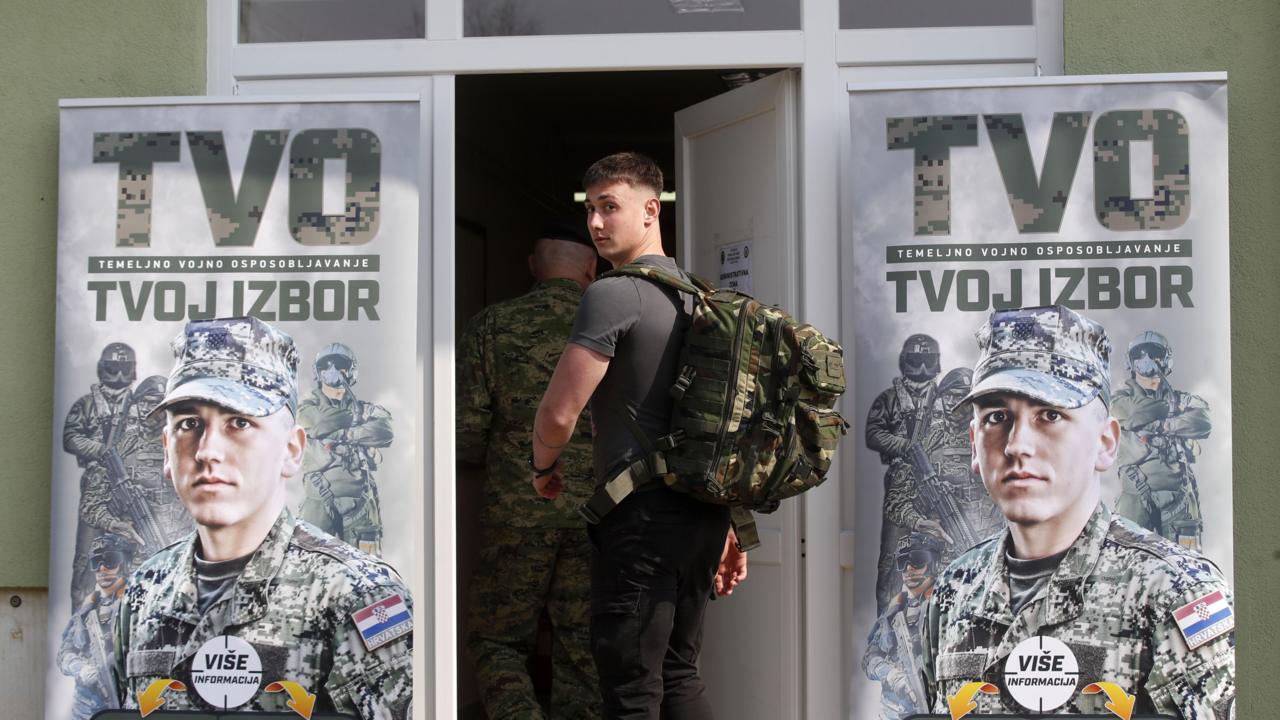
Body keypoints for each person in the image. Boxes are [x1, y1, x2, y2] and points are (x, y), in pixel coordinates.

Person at [922, 305, 1235, 718]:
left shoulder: (1176, 591)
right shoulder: (953, 592)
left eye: (1050, 415)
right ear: (974, 445)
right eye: (997, 418)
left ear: (1106, 443)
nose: (1017, 445)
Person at [532, 151, 747, 719]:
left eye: (611, 207)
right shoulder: (701, 300)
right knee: (679, 674)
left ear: (651, 210)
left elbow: (558, 414)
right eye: (591, 210)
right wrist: (726, 521)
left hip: (641, 520)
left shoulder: (611, 293)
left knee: (631, 688)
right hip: (701, 515)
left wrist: (542, 466)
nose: (597, 223)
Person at [111, 317, 412, 719]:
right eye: (189, 424)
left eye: (239, 422)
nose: (207, 451)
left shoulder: (357, 594)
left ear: (291, 450)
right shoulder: (144, 590)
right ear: (167, 449)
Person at [456, 224, 602, 719]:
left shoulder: (492, 324)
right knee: (583, 644)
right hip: (596, 512)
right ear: (591, 268)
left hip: (516, 509)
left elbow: (468, 427)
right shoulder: (610, 328)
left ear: (533, 266)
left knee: (497, 638)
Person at [883, 367, 1003, 567]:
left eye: (963, 398)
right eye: (948, 397)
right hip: (937, 558)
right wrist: (919, 522)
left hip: (991, 550)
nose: (954, 404)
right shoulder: (925, 441)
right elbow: (895, 500)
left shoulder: (994, 437)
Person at [865, 334, 950, 612]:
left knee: (943, 554)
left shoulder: (945, 399)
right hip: (902, 490)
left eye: (927, 362)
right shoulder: (889, 400)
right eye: (916, 362)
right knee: (892, 561)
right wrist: (905, 446)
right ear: (905, 363)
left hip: (937, 489)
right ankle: (884, 630)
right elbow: (873, 434)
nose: (922, 370)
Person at [1112, 330, 1212, 550]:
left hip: (1179, 496)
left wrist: (1165, 426)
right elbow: (1135, 415)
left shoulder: (1181, 398)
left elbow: (1203, 421)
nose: (1146, 359)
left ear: (1166, 359)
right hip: (1135, 495)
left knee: (1187, 565)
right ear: (1131, 361)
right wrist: (1172, 412)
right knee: (1127, 563)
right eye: (1139, 354)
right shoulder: (1120, 400)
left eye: (1154, 353)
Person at [63, 343, 148, 603]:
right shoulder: (87, 405)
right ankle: (78, 627)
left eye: (124, 370)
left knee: (136, 555)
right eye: (113, 369)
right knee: (87, 558)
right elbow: (71, 438)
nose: (119, 377)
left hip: (130, 490)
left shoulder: (140, 403)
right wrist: (100, 450)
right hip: (97, 489)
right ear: (103, 369)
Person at [297, 342, 394, 556]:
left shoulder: (365, 408)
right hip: (319, 499)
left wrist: (345, 435)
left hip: (361, 502)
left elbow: (385, 431)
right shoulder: (306, 405)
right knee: (310, 569)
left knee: (367, 571)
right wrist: (357, 423)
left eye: (339, 364)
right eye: (325, 365)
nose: (332, 369)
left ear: (351, 370)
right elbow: (318, 422)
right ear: (317, 371)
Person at [862, 532, 942, 720]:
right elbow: (869, 658)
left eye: (918, 560)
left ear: (934, 563)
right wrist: (890, 673)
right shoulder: (895, 609)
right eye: (903, 562)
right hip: (894, 713)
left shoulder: (948, 606)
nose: (909, 569)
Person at [58, 534, 133, 720]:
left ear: (123, 564)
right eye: (96, 562)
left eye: (110, 561)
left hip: (128, 703)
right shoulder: (86, 609)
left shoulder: (138, 603)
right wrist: (79, 668)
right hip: (86, 709)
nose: (102, 569)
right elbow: (64, 653)